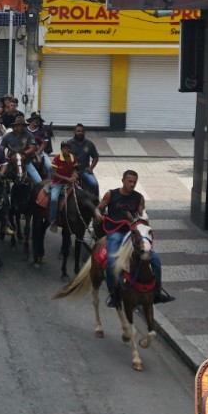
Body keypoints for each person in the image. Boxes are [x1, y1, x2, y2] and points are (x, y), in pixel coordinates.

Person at [94, 171, 173, 307]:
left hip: (134, 234)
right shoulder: (111, 194)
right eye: (130, 181)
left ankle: (157, 294)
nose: (132, 184)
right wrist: (97, 214)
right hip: (116, 233)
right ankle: (114, 295)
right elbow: (99, 208)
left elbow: (142, 213)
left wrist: (143, 217)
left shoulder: (139, 197)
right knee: (112, 262)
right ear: (123, 181)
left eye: (135, 182)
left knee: (155, 260)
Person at [0, 115, 42, 184]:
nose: (20, 127)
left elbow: (33, 148)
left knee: (38, 181)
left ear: (24, 126)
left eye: (22, 125)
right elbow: (1, 148)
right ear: (15, 126)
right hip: (10, 160)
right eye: (18, 125)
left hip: (26, 160)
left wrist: (22, 154)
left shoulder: (29, 135)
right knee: (0, 178)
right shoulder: (7, 136)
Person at [48, 140, 78, 232]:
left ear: (70, 149)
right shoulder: (57, 158)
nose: (66, 150)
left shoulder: (72, 157)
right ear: (61, 149)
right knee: (54, 199)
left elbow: (74, 169)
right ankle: (53, 220)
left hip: (69, 183)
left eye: (67, 148)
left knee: (81, 193)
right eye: (64, 148)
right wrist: (67, 178)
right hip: (57, 183)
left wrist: (74, 175)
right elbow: (54, 173)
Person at [65, 124, 100, 197]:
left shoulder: (89, 144)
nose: (80, 133)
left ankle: (96, 201)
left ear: (85, 132)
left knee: (94, 184)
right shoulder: (68, 144)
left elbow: (95, 157)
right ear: (74, 131)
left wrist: (91, 167)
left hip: (85, 170)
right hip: (71, 171)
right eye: (78, 131)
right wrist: (72, 171)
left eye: (82, 131)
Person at [27, 112, 52, 180]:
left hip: (39, 152)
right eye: (35, 119)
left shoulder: (42, 130)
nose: (36, 121)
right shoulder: (25, 129)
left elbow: (45, 142)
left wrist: (37, 153)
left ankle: (49, 182)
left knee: (50, 167)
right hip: (27, 153)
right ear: (31, 120)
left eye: (38, 119)